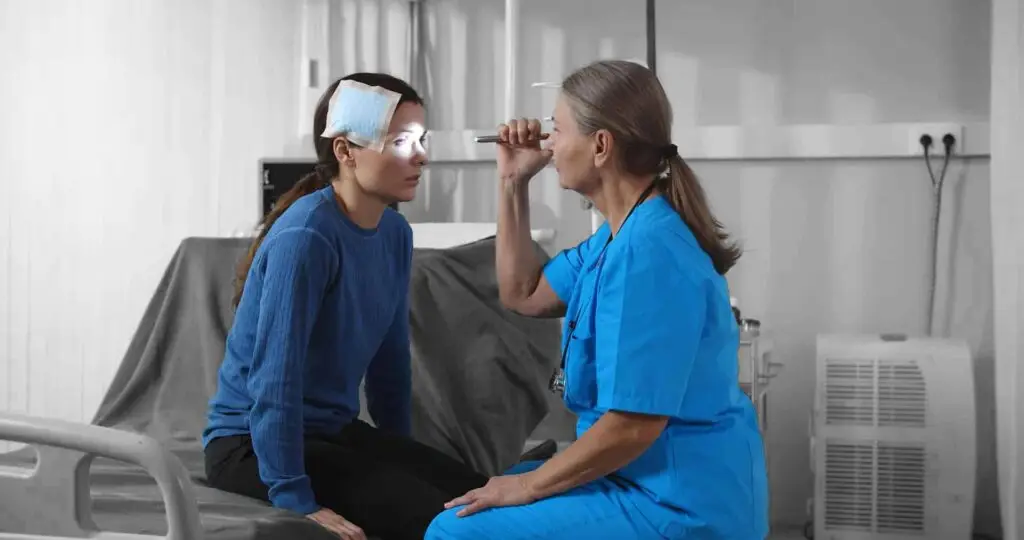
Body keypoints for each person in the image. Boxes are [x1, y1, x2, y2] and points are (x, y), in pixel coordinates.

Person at [425, 60, 769, 539]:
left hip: (676, 504)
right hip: (633, 479)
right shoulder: (616, 237)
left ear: (601, 146)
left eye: (558, 129)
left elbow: (633, 426)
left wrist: (527, 486)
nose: (548, 144)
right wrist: (512, 182)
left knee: (454, 532)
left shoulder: (648, 251)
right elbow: (522, 293)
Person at [202, 72, 487, 540]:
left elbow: (390, 366)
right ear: (345, 151)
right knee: (441, 523)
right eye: (400, 142)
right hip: (250, 445)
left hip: (328, 432)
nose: (420, 156)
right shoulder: (306, 237)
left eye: (421, 139)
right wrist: (294, 497)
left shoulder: (395, 234)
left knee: (478, 496)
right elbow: (277, 379)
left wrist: (398, 455)